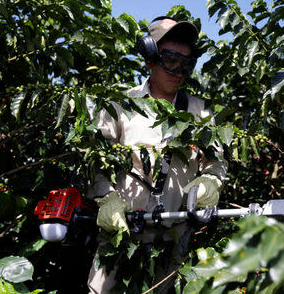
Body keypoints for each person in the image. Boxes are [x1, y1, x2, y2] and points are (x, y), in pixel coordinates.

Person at [87, 17, 227, 293]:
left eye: (187, 63)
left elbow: (216, 163)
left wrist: (211, 182)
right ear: (150, 58)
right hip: (120, 240)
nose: (179, 71)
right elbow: (94, 159)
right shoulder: (119, 105)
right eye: (171, 60)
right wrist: (106, 197)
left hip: (173, 247)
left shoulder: (200, 112)